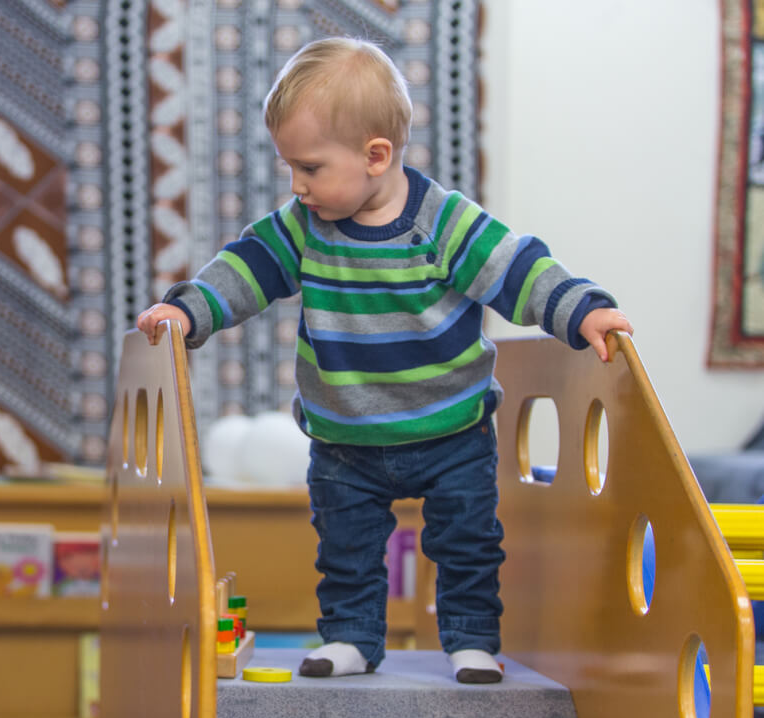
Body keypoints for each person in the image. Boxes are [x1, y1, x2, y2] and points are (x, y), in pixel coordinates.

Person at [136, 38, 633, 684]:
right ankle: (351, 636)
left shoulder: (444, 223)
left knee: (468, 543)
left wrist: (583, 310)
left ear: (377, 156)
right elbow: (245, 267)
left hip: (452, 430)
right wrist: (189, 309)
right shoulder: (301, 228)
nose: (297, 185)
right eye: (291, 168)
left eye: (310, 168)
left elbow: (518, 271)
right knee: (346, 549)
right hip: (346, 438)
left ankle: (472, 640)